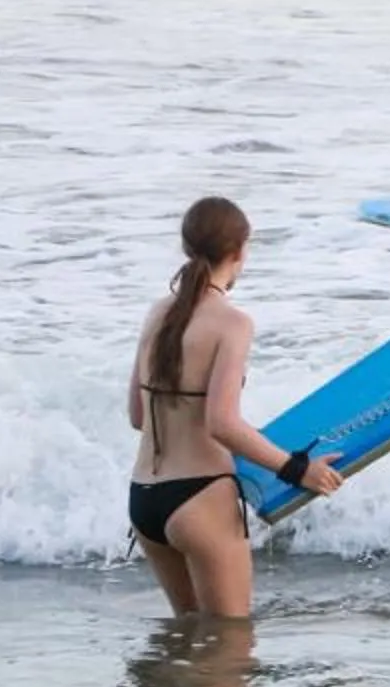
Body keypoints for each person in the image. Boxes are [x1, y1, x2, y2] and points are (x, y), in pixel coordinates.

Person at [127, 196, 341, 620]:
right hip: (200, 499)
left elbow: (137, 415)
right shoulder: (232, 323)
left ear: (188, 247)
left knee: (186, 638)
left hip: (144, 500)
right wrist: (298, 468)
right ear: (240, 251)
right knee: (229, 650)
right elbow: (221, 423)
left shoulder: (158, 313)